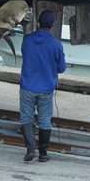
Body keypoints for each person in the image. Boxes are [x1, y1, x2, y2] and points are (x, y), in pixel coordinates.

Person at [19, 9, 66, 162]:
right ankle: (43, 154)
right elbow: (61, 68)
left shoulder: (27, 40)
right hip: (46, 88)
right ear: (52, 26)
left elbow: (25, 55)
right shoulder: (56, 45)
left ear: (38, 23)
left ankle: (30, 149)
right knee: (45, 120)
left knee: (26, 118)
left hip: (27, 85)